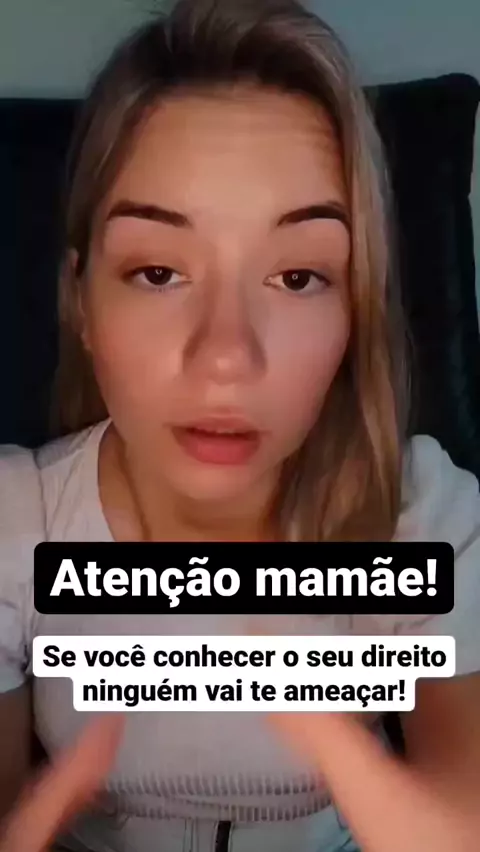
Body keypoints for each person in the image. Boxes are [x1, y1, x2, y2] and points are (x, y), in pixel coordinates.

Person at [0, 0, 479, 850]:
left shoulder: (420, 516)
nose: (226, 356)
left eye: (297, 277)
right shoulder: (12, 525)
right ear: (81, 302)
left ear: (355, 312)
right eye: (158, 272)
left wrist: (327, 734)